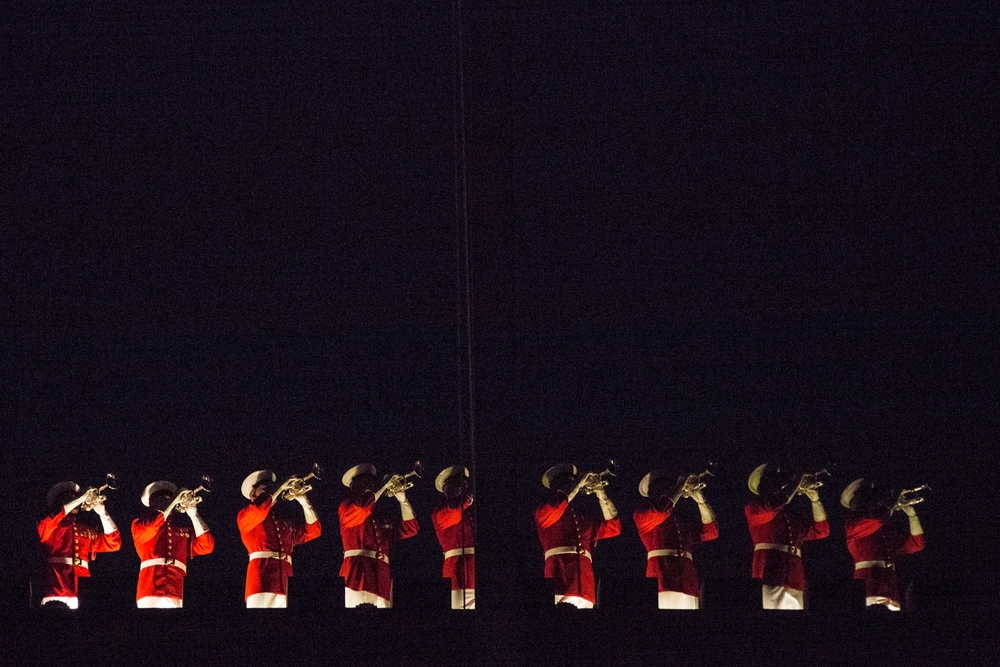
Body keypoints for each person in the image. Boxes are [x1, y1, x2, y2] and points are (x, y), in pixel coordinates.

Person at [534, 464, 621, 608]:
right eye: (569, 483)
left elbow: (614, 527)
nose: (574, 485)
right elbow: (559, 504)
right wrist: (579, 483)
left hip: (585, 587)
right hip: (559, 582)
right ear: (557, 487)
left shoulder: (582, 516)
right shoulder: (543, 510)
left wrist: (601, 493)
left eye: (573, 482)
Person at [745, 464, 829, 610]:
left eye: (780, 480)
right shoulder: (754, 507)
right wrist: (797, 480)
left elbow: (821, 530)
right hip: (769, 574)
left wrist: (815, 500)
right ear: (763, 485)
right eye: (774, 480)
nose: (780, 484)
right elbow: (774, 505)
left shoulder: (791, 515)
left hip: (795, 577)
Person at [634, 470, 718, 609]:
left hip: (688, 580)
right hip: (663, 579)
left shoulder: (682, 518)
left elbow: (711, 532)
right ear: (651, 492)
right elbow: (662, 511)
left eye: (670, 486)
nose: (669, 489)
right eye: (663, 486)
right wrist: (680, 485)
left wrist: (700, 499)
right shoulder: (641, 514)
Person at [338, 463, 420, 608]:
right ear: (353, 487)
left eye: (371, 483)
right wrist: (383, 486)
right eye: (365, 483)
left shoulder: (381, 517)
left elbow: (411, 528)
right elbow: (363, 508)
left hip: (381, 577)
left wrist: (402, 499)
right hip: (357, 576)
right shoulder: (346, 507)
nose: (370, 486)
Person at [237, 469, 321, 608]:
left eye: (272, 487)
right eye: (266, 488)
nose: (272, 490)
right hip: (261, 582)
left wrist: (303, 501)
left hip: (286, 582)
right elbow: (260, 510)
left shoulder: (284, 520)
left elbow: (314, 531)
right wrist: (281, 486)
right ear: (253, 494)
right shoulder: (245, 515)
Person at [841, 478, 926, 611]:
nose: (873, 501)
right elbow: (878, 519)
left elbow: (917, 543)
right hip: (869, 584)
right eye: (867, 498)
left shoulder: (884, 531)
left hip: (890, 585)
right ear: (856, 504)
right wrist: (893, 499)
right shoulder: (852, 525)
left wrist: (912, 516)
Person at [37, 481, 121, 609]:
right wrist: (80, 498)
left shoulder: (84, 529)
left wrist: (103, 514)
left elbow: (113, 543)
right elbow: (55, 519)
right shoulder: (49, 525)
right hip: (56, 586)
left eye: (75, 498)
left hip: (81, 588)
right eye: (69, 499)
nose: (75, 502)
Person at [132, 480, 215, 608]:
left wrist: (194, 515)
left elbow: (207, 546)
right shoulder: (139, 524)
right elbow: (155, 523)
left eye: (168, 500)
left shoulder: (181, 529)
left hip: (175, 588)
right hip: (150, 588)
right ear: (152, 505)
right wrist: (174, 501)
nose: (166, 504)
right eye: (161, 501)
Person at [431, 465, 475, 609]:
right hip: (457, 575)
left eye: (465, 484)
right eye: (458, 485)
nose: (464, 487)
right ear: (447, 490)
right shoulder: (439, 513)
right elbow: (455, 512)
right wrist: (469, 498)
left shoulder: (469, 510)